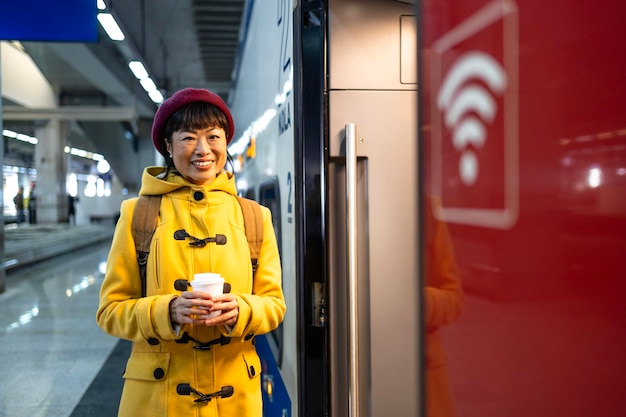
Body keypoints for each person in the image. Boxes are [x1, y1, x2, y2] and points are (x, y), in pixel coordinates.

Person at [96, 88, 286, 417]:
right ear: (168, 147)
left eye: (213, 136)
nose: (202, 149)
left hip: (235, 401)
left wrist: (240, 311)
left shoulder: (254, 216)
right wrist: (166, 311)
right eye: (187, 138)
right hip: (158, 400)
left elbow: (274, 305)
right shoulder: (137, 214)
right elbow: (110, 312)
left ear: (225, 142)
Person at [424, 196, 464, 417]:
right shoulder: (332, 201)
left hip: (423, 372)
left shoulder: (426, 208)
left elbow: (454, 298)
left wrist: (418, 302)